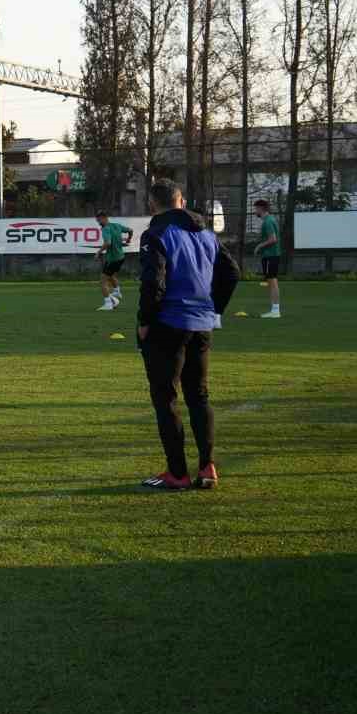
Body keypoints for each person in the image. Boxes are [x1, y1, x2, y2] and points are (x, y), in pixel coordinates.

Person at [136, 178, 240, 491]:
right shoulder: (206, 233)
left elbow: (154, 282)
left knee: (166, 398)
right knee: (199, 395)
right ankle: (207, 467)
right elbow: (232, 272)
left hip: (168, 324)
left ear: (153, 205)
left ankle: (177, 474)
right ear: (181, 201)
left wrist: (144, 321)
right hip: (202, 324)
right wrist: (214, 308)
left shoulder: (156, 233)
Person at [95, 210, 130, 311]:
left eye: (99, 220)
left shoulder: (105, 229)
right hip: (120, 257)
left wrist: (98, 252)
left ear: (104, 218)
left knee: (102, 281)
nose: (98, 222)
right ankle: (116, 292)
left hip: (113, 259)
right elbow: (130, 230)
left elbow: (108, 243)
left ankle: (108, 304)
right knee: (111, 275)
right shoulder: (117, 226)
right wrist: (128, 239)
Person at [252, 199, 282, 318]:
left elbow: (273, 239)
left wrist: (259, 246)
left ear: (261, 208)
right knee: (271, 281)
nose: (255, 211)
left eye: (256, 209)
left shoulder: (268, 222)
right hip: (270, 255)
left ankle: (275, 311)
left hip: (271, 255)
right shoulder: (270, 219)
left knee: (272, 281)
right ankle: (274, 309)